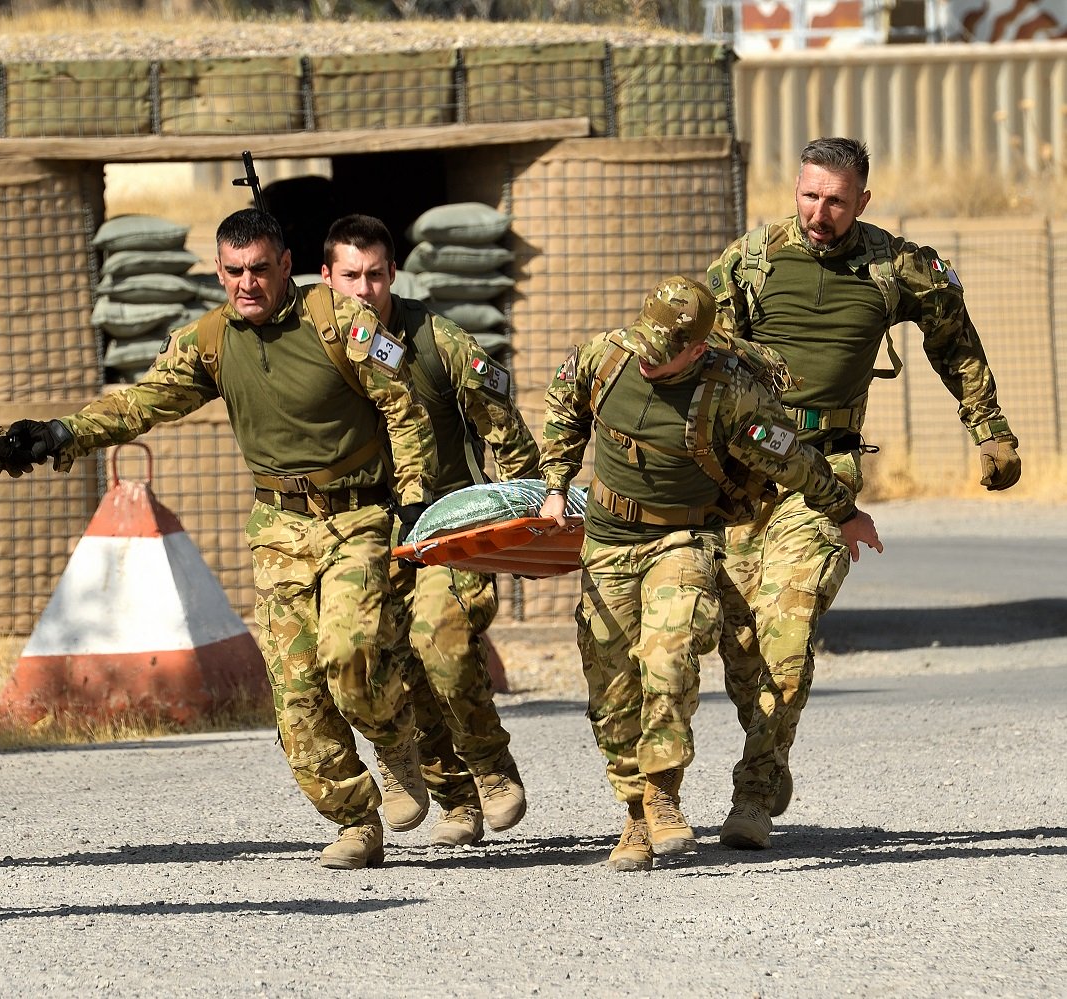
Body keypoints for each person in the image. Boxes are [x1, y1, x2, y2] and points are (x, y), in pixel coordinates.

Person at [0, 208, 436, 870]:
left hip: (358, 516)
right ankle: (352, 817)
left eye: (260, 268)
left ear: (286, 265)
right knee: (295, 692)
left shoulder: (342, 323)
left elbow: (404, 408)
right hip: (280, 526)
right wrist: (61, 433)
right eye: (234, 272)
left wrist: (415, 498)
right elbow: (142, 403)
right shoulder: (211, 339)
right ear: (220, 272)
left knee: (353, 651)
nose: (247, 283)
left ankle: (397, 742)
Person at [706, 136, 1020, 850]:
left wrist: (990, 428)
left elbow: (955, 340)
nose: (821, 212)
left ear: (863, 202)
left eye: (837, 201)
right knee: (741, 639)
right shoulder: (747, 261)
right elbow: (701, 363)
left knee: (789, 627)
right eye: (810, 195)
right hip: (742, 478)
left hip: (827, 472)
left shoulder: (894, 265)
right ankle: (771, 745)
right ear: (795, 187)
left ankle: (752, 793)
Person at [537, 275, 882, 872]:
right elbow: (562, 411)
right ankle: (635, 813)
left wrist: (846, 512)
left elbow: (791, 459)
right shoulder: (606, 356)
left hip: (681, 538)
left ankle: (665, 792)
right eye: (646, 345)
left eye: (666, 354)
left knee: (669, 658)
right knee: (612, 689)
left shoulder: (731, 394)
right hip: (607, 541)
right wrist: (553, 482)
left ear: (698, 350)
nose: (649, 361)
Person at [321, 214, 538, 847]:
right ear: (325, 276)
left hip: (446, 524)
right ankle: (451, 790)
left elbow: (507, 433)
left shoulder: (438, 341)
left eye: (376, 276)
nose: (363, 291)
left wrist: (526, 521)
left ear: (394, 275)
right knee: (383, 662)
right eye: (350, 277)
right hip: (364, 531)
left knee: (439, 638)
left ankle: (492, 766)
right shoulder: (314, 343)